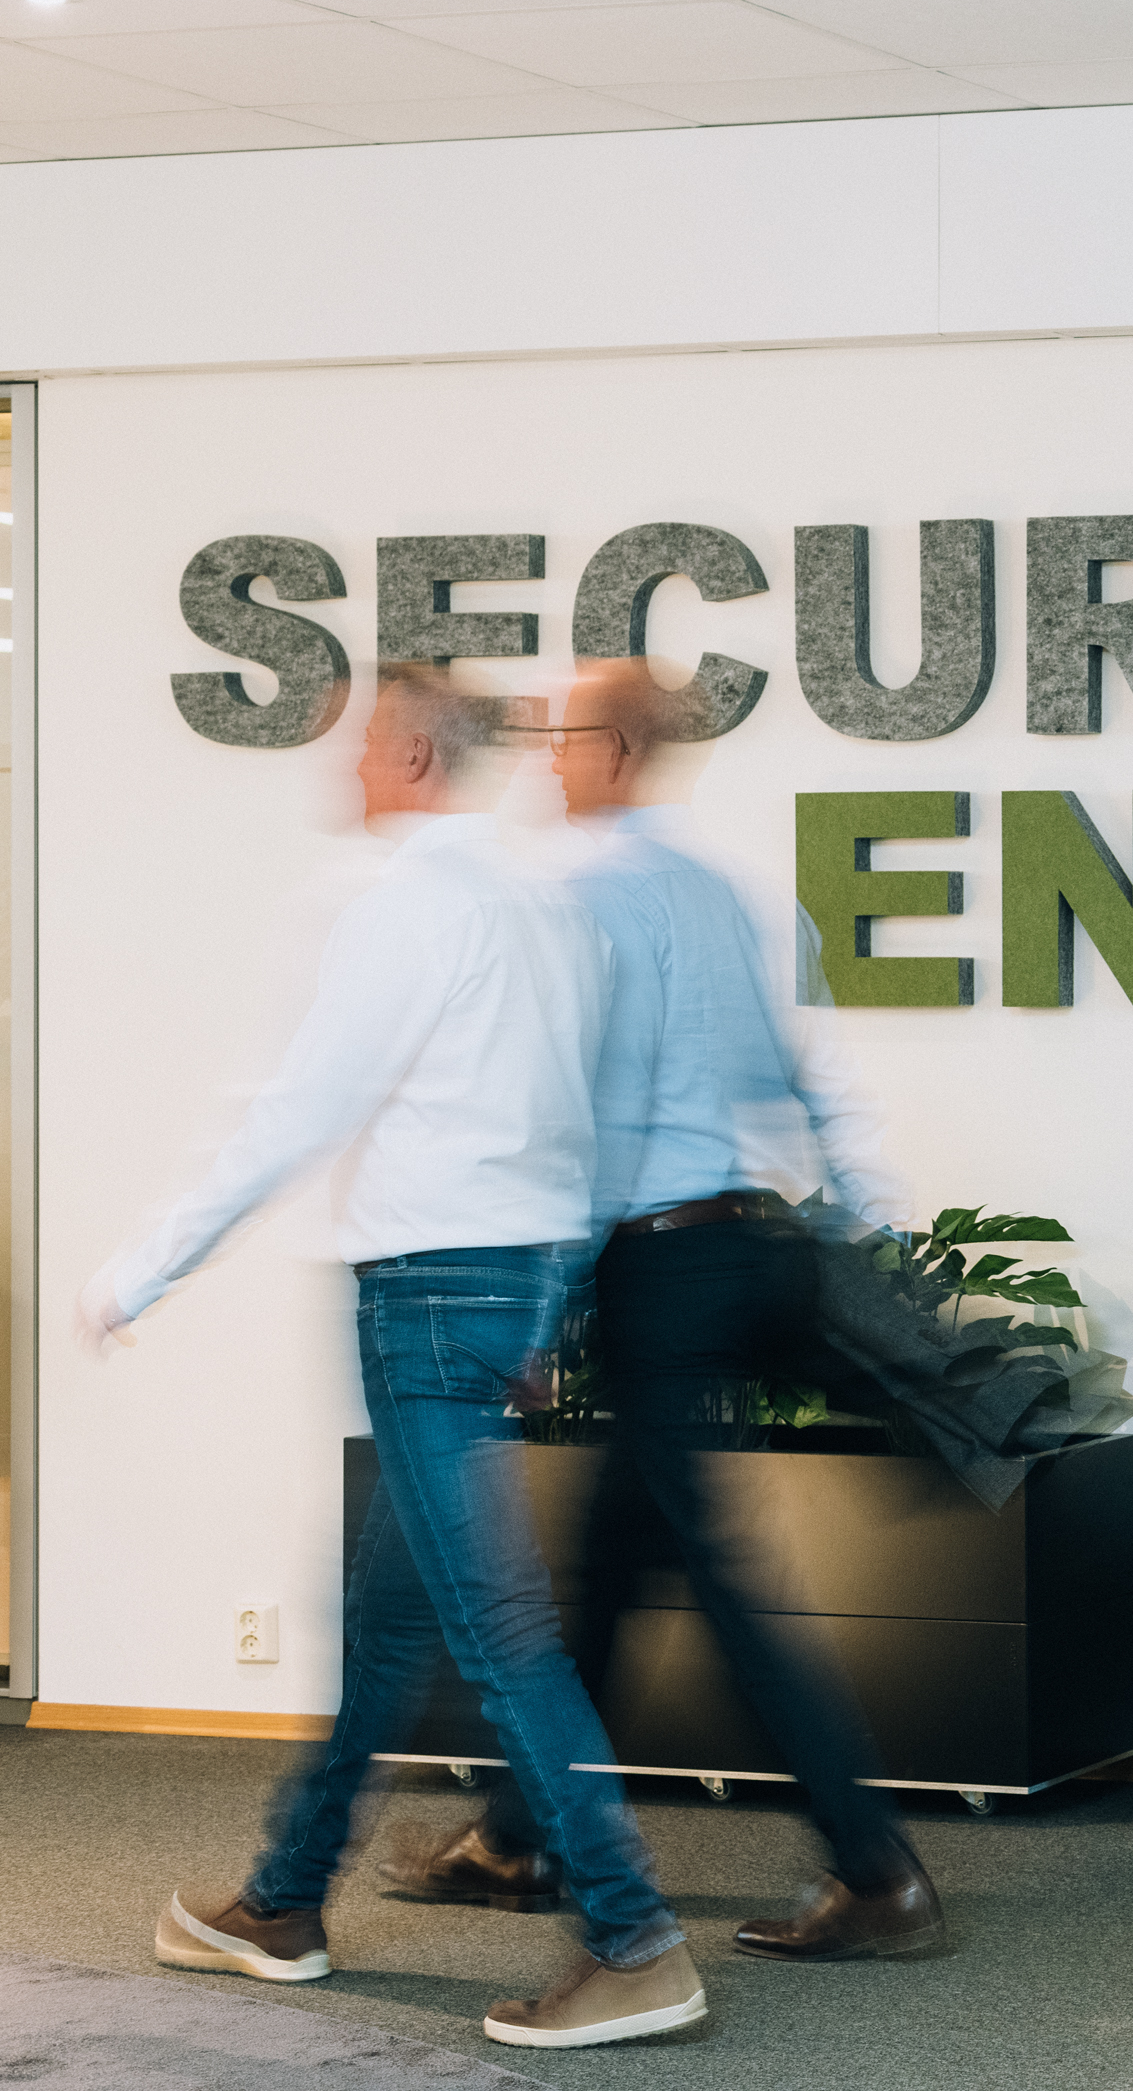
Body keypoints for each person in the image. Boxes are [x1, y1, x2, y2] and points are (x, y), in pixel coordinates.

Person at [79, 664, 707, 2051]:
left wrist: (145, 1266)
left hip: (425, 1296)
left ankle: (634, 1937)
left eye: (365, 742)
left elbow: (301, 1106)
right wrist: (550, 1307)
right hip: (506, 1285)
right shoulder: (544, 904)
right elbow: (585, 1118)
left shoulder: (405, 905)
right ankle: (284, 1899)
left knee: (498, 1635)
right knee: (393, 1621)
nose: (345, 766)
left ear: (418, 758)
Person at [385, 658, 945, 1961]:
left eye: (564, 734)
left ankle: (877, 1868)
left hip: (660, 1269)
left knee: (715, 1577)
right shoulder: (734, 894)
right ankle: (517, 1837)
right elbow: (812, 1075)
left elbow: (585, 1116)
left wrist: (531, 1310)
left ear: (619, 749)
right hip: (752, 1243)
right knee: (612, 1560)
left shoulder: (579, 899)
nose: (544, 756)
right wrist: (880, 1233)